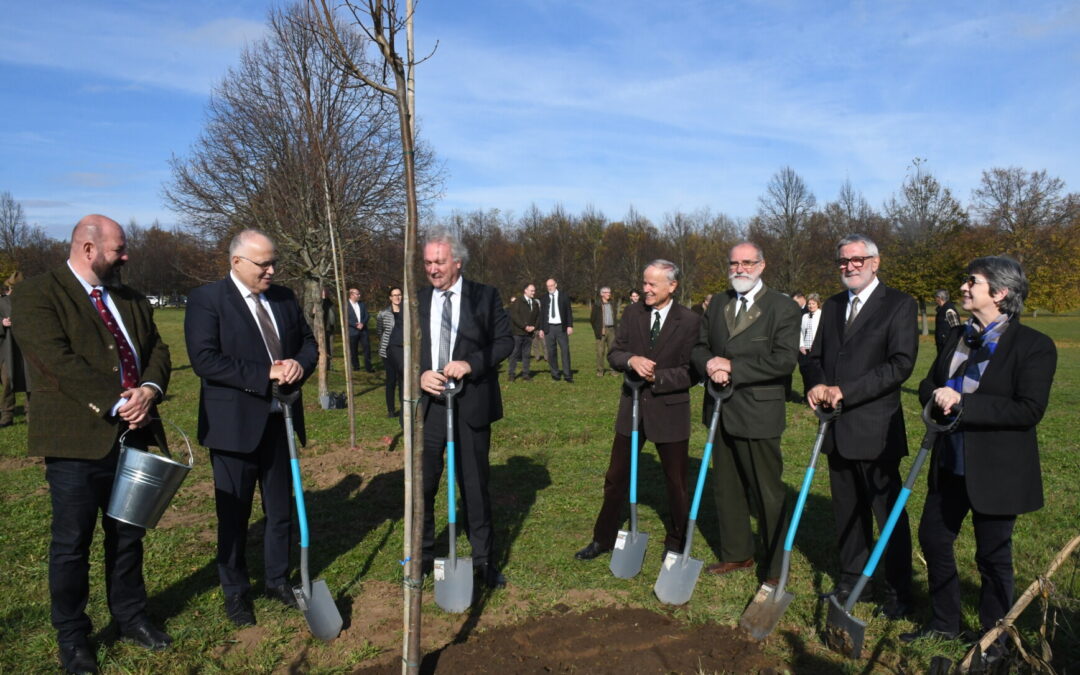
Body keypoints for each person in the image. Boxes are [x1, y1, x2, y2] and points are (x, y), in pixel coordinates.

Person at [14, 214, 173, 673]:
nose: (126, 256)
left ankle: (130, 617)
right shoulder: (38, 293)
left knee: (128, 534)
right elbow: (53, 360)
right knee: (72, 542)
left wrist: (149, 390)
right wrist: (114, 402)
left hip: (135, 433)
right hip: (76, 441)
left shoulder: (131, 298)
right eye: (118, 249)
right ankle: (73, 636)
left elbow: (158, 350)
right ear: (88, 249)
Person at [901, 257, 1056, 651]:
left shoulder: (1034, 345)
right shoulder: (959, 337)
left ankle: (995, 640)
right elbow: (929, 384)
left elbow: (1028, 409)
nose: (964, 288)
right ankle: (944, 623)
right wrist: (936, 396)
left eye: (973, 281)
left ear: (1000, 293)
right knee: (934, 538)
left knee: (992, 556)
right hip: (949, 459)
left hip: (997, 470)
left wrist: (964, 404)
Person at [184, 229, 317, 628]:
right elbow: (205, 359)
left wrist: (298, 365)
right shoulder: (208, 300)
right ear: (237, 262)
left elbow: (309, 344)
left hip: (281, 420)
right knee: (235, 514)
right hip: (234, 427)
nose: (272, 270)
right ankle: (236, 592)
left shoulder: (284, 298)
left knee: (281, 511)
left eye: (274, 262)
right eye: (264, 264)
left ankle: (277, 580)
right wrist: (266, 373)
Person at [803, 233, 919, 618]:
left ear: (875, 262)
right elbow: (814, 356)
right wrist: (816, 383)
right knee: (847, 512)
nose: (849, 266)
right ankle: (855, 581)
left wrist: (845, 390)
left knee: (887, 515)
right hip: (835, 428)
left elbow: (900, 365)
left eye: (856, 260)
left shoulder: (900, 305)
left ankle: (901, 590)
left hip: (876, 429)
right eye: (842, 261)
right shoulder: (833, 306)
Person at [691, 242, 801, 584]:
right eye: (734, 263)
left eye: (747, 263)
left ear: (762, 266)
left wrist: (733, 366)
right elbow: (699, 346)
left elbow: (784, 360)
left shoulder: (782, 307)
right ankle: (737, 554)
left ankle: (775, 566)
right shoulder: (719, 302)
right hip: (721, 409)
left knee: (767, 491)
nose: (740, 269)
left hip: (758, 412)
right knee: (727, 487)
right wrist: (709, 362)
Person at [575, 260, 700, 561]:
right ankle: (602, 538)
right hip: (632, 408)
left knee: (676, 482)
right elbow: (615, 354)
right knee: (616, 476)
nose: (645, 289)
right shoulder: (632, 313)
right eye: (644, 283)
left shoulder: (690, 321)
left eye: (652, 284)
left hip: (670, 411)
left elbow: (692, 372)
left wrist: (659, 377)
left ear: (672, 286)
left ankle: (677, 540)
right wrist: (631, 360)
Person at [418, 229, 513, 589]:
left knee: (474, 485)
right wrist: (418, 374)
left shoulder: (485, 297)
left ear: (457, 261)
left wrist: (470, 363)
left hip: (470, 404)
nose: (433, 269)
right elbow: (398, 346)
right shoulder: (418, 300)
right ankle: (423, 556)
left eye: (439, 262)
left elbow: (504, 342)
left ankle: (483, 560)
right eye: (427, 262)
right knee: (424, 485)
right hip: (430, 408)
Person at [0, 273, 28, 427]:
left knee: (30, 382)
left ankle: (31, 413)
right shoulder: (2, 303)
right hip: (8, 348)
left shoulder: (30, 302)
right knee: (8, 381)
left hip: (27, 349)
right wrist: (2, 323)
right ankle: (7, 414)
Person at [376, 287, 404, 417]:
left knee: (403, 381)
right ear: (390, 297)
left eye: (399, 295)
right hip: (387, 352)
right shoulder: (383, 313)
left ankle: (404, 407)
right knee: (391, 380)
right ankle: (391, 410)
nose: (397, 297)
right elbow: (380, 331)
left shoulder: (408, 312)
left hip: (403, 350)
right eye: (394, 295)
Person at [539, 277, 574, 382]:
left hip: (561, 327)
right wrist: (541, 329)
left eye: (551, 285)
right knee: (551, 352)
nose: (550, 288)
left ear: (556, 285)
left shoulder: (564, 296)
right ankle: (555, 374)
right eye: (548, 286)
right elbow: (542, 315)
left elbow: (568, 311)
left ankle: (567, 375)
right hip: (548, 328)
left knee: (565, 351)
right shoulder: (544, 298)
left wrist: (570, 326)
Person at [507, 282, 540, 381]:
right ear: (525, 290)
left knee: (526, 354)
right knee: (514, 354)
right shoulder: (518, 302)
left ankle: (526, 374)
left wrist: (534, 327)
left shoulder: (535, 303)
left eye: (534, 290)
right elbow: (514, 316)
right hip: (518, 333)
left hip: (529, 334)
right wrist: (524, 326)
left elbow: (538, 316)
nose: (533, 292)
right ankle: (511, 374)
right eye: (531, 290)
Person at [589, 286, 618, 376]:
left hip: (612, 330)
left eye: (609, 292)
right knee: (600, 351)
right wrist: (598, 329)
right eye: (606, 292)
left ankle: (613, 370)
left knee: (612, 351)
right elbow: (592, 320)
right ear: (602, 294)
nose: (609, 294)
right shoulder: (597, 305)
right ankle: (600, 371)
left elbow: (615, 317)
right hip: (602, 330)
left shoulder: (612, 304)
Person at [346, 288, 373, 372]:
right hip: (352, 331)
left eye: (359, 294)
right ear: (351, 295)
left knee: (367, 348)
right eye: (357, 294)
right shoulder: (346, 305)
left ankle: (368, 367)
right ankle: (356, 367)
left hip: (363, 331)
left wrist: (363, 324)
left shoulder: (362, 304)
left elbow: (367, 315)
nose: (359, 295)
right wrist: (355, 325)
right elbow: (345, 318)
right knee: (353, 350)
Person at [310, 287, 337, 368]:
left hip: (329, 329)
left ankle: (329, 365)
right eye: (323, 292)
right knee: (319, 346)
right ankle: (318, 364)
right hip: (320, 329)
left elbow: (334, 316)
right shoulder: (317, 303)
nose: (325, 294)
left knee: (330, 347)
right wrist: (313, 311)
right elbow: (311, 314)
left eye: (326, 292)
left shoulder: (331, 303)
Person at [933, 289, 961, 354]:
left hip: (948, 345)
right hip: (942, 344)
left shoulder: (949, 310)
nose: (935, 299)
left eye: (936, 297)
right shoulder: (942, 309)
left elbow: (956, 328)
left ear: (939, 298)